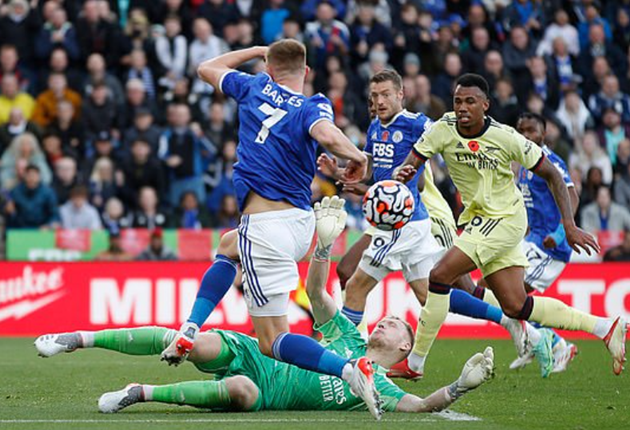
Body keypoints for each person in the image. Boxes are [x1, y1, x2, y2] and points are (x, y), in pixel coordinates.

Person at [35, 196, 495, 415]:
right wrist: (324, 244)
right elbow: (316, 294)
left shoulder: (386, 391)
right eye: (391, 317)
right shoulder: (348, 336)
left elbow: (419, 406)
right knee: (189, 340)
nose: (389, 320)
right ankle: (75, 338)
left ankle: (139, 393)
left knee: (242, 392)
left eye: (397, 324)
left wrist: (461, 385)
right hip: (258, 350)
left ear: (403, 348)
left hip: (267, 392)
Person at [159, 40, 383, 418]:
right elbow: (326, 135)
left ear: (268, 66)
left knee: (272, 341)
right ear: (306, 72)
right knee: (230, 244)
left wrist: (254, 49)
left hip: (265, 227)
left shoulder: (251, 86)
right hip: (299, 224)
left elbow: (206, 67)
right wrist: (355, 156)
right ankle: (190, 328)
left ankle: (349, 369)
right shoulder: (316, 104)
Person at [393, 73, 626, 377]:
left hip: (504, 219)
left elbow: (554, 176)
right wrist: (401, 175)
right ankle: (606, 327)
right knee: (516, 306)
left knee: (438, 276)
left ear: (485, 105)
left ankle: (414, 363)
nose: (462, 107)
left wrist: (568, 227)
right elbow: (413, 161)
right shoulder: (442, 129)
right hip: (480, 219)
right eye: (458, 101)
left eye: (470, 101)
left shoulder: (506, 137)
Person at [476, 112, 579, 374]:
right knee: (486, 284)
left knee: (513, 297)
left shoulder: (551, 162)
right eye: (521, 131)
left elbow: (571, 195)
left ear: (543, 134)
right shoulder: (522, 164)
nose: (525, 136)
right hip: (530, 241)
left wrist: (560, 233)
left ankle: (558, 345)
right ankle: (534, 342)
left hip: (549, 248)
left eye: (531, 131)